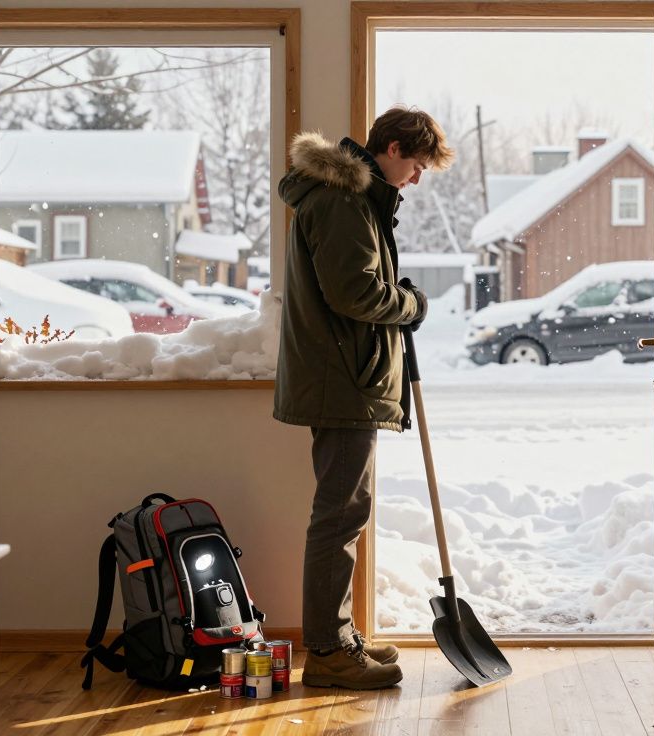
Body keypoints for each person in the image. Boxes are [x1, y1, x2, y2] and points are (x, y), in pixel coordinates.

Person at [274, 106, 455, 689]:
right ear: (396, 148)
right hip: (341, 379)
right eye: (419, 164)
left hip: (344, 374)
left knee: (345, 512)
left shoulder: (354, 198)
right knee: (339, 515)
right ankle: (326, 651)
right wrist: (412, 305)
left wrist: (395, 296)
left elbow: (355, 284)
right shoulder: (343, 200)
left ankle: (339, 636)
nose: (418, 178)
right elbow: (354, 293)